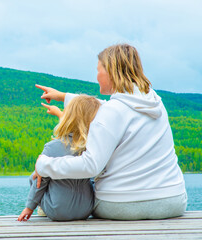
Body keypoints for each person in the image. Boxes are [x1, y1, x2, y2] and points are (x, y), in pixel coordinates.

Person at [34, 43, 187, 220]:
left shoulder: (112, 112)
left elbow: (90, 166)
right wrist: (64, 96)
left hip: (120, 205)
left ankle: (44, 206)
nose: (97, 76)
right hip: (172, 201)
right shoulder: (155, 103)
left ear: (111, 71)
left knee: (86, 177)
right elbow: (113, 108)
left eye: (99, 70)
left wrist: (44, 164)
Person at [18, 95, 101, 221]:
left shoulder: (52, 147)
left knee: (36, 175)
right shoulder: (93, 147)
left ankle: (40, 209)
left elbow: (40, 182)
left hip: (57, 211)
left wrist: (29, 207)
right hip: (86, 209)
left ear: (66, 118)